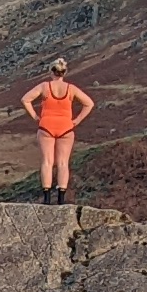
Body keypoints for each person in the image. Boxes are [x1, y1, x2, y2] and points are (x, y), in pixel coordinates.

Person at [20, 58, 94, 197]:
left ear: (51, 72)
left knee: (47, 162)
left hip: (46, 126)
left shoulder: (44, 86)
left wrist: (35, 117)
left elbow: (25, 99)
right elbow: (89, 103)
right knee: (63, 163)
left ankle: (47, 198)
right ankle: (61, 198)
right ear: (64, 73)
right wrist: (77, 120)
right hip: (66, 127)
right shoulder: (71, 89)